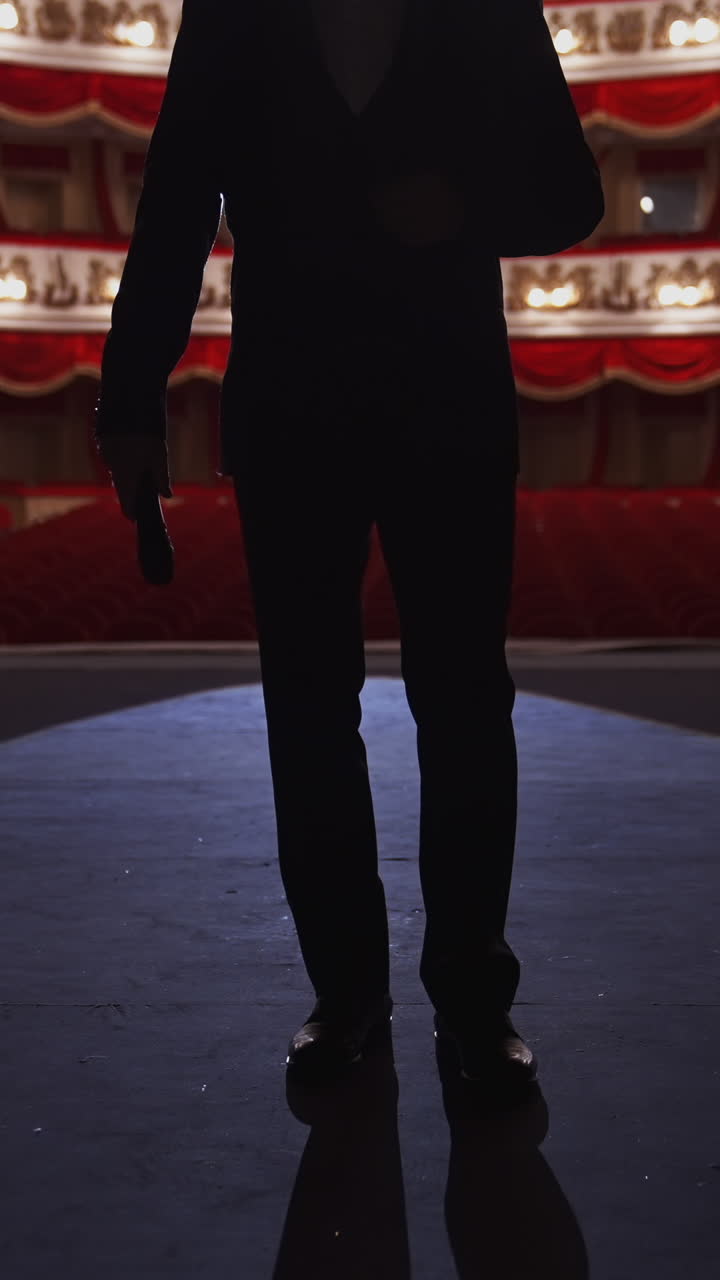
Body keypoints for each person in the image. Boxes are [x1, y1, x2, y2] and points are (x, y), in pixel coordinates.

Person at [96, 0, 603, 1090]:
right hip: (292, 417)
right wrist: (128, 403)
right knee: (309, 711)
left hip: (448, 411)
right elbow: (176, 201)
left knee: (465, 705)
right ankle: (347, 998)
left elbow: (573, 192)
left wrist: (464, 207)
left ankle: (473, 1002)